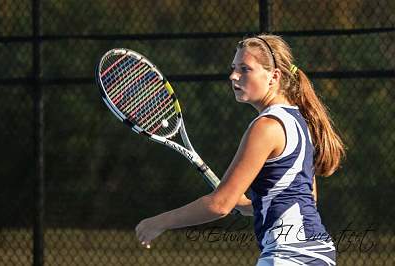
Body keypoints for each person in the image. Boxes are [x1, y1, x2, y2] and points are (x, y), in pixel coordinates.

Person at [135, 34, 345, 265]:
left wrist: (157, 223)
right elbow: (303, 199)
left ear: (274, 76)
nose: (233, 76)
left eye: (245, 69)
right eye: (234, 68)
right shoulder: (299, 122)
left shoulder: (266, 126)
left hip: (289, 257)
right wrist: (243, 203)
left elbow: (219, 205)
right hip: (320, 254)